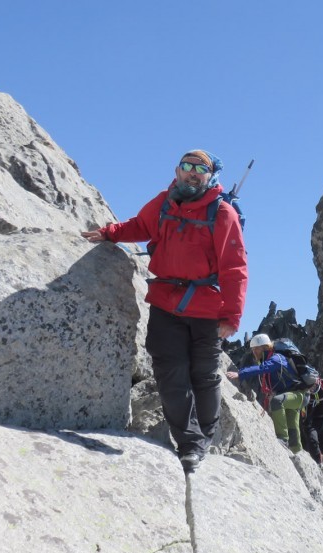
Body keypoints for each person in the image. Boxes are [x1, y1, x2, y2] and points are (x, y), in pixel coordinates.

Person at [81, 150, 247, 473]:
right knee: (171, 373)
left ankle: (204, 436)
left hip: (205, 309)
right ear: (177, 170)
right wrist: (109, 233)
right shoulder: (164, 203)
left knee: (205, 375)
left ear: (210, 177)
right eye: (187, 167)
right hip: (165, 304)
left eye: (201, 169)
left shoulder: (222, 213)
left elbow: (235, 267)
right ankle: (190, 444)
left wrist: (232, 316)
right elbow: (140, 226)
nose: (193, 173)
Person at [226, 334, 306, 453]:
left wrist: (240, 373)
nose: (254, 352)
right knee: (292, 427)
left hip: (297, 395)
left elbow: (262, 368)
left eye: (255, 349)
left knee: (277, 401)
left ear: (264, 347)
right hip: (293, 395)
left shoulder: (276, 358)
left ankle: (283, 439)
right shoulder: (271, 358)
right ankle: (296, 454)